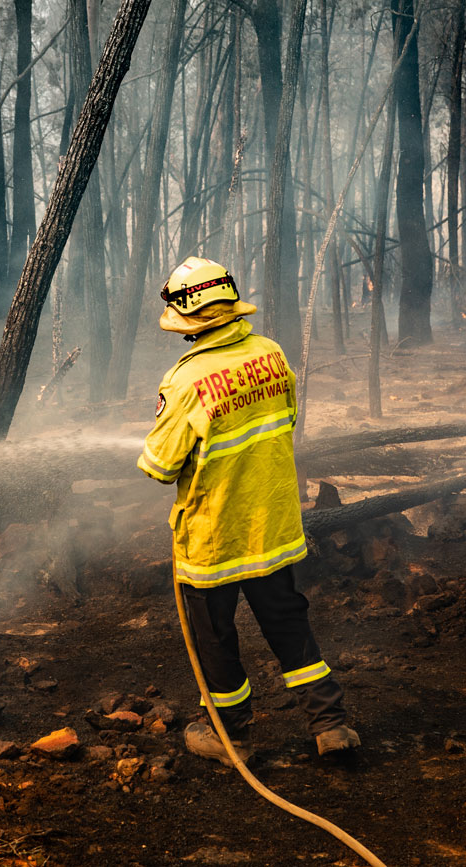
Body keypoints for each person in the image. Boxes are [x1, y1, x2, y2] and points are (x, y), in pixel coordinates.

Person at [136, 256, 359, 766]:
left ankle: (227, 732)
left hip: (215, 536)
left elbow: (160, 466)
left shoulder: (186, 380)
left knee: (213, 636)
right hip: (275, 523)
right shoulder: (273, 354)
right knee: (287, 621)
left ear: (186, 318)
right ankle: (330, 724)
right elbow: (286, 421)